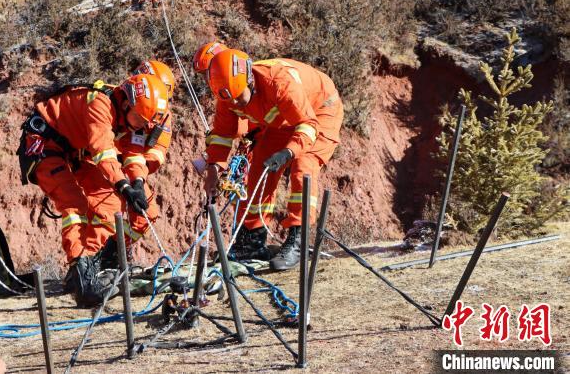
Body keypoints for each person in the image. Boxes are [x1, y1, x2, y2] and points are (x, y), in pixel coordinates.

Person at [17, 74, 170, 306]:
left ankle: (99, 261)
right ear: (126, 103)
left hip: (77, 152)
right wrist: (124, 185)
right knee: (75, 206)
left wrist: (137, 182)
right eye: (139, 119)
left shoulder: (134, 117)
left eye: (145, 123)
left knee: (123, 208)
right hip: (45, 145)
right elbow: (103, 152)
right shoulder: (99, 103)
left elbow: (132, 153)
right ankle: (82, 279)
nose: (141, 126)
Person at [201, 48, 344, 270]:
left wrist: (288, 152)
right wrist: (212, 170)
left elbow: (307, 124)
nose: (238, 105)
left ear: (250, 81)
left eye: (241, 98)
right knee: (258, 167)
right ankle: (251, 240)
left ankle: (298, 239)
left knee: (302, 165)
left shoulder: (278, 82)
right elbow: (221, 136)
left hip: (319, 111)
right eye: (233, 101)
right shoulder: (228, 97)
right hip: (283, 121)